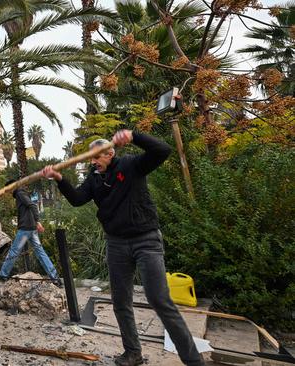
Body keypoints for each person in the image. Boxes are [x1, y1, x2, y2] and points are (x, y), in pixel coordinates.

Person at [41, 130, 204, 366]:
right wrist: (59, 178)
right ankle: (133, 352)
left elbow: (163, 151)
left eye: (98, 156)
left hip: (145, 239)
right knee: (120, 301)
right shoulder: (94, 179)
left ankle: (193, 360)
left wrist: (134, 136)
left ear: (110, 153)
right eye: (91, 158)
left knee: (159, 299)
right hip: (116, 243)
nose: (94, 161)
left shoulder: (130, 166)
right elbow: (77, 199)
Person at [0, 180, 61, 287]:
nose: (7, 192)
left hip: (25, 229)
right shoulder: (21, 193)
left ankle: (3, 274)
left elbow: (32, 205)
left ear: (12, 186)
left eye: (7, 189)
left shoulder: (19, 193)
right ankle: (55, 277)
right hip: (31, 229)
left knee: (14, 251)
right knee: (40, 251)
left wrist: (38, 221)